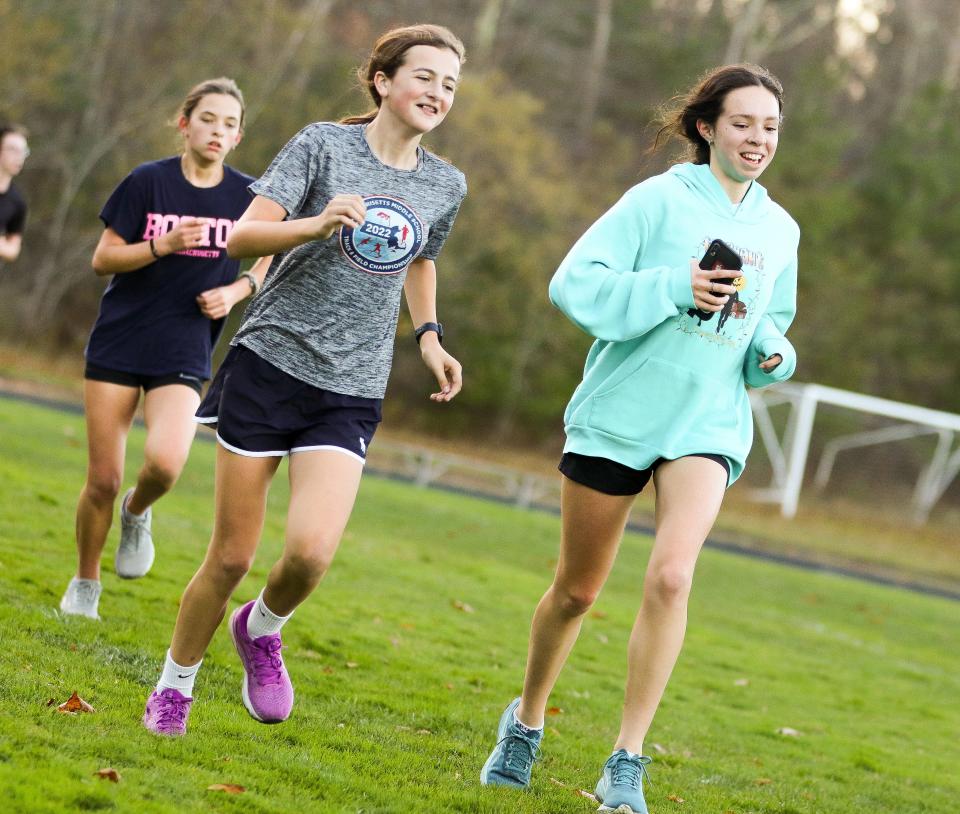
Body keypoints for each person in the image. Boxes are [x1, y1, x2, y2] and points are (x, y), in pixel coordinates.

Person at [481, 64, 799, 813]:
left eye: (771, 127)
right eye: (745, 123)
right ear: (707, 128)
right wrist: (670, 289)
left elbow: (770, 320)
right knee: (576, 590)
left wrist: (776, 352)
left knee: (671, 578)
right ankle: (525, 722)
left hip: (708, 422)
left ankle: (627, 759)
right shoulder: (655, 201)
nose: (759, 139)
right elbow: (574, 283)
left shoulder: (781, 230)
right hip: (621, 415)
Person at [142, 24, 467, 737]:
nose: (438, 92)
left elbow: (420, 260)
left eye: (449, 83)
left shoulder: (447, 183)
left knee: (311, 554)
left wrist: (431, 337)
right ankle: (176, 683)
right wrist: (316, 224)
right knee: (229, 556)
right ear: (383, 80)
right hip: (270, 362)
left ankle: (261, 629)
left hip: (352, 384)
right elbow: (243, 236)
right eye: (425, 77)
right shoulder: (323, 145)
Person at [59, 78, 271, 620]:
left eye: (229, 124)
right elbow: (103, 259)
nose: (217, 131)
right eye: (207, 119)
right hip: (121, 338)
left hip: (184, 344)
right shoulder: (146, 182)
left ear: (239, 135)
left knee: (166, 464)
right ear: (184, 124)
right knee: (102, 478)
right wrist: (163, 245)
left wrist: (238, 289)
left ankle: (137, 511)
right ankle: (86, 582)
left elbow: (275, 253)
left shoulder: (248, 197)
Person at [0, 124, 30, 264]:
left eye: (23, 151)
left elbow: (13, 249)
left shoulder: (18, 203)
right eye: (13, 150)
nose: (19, 156)